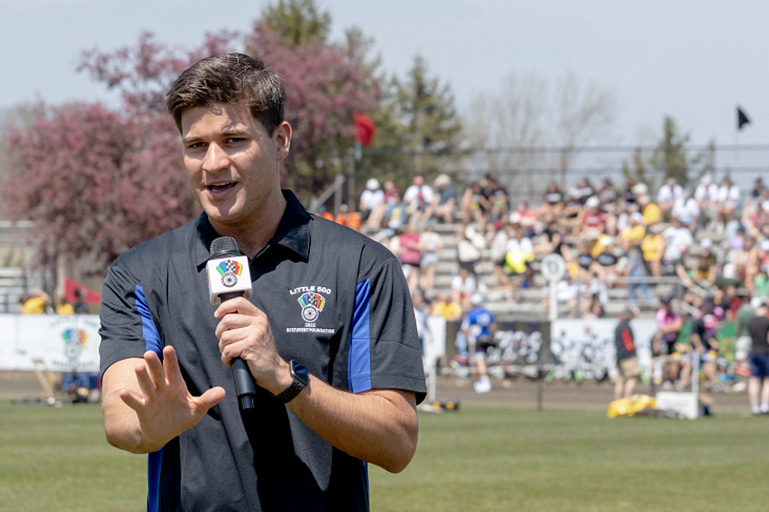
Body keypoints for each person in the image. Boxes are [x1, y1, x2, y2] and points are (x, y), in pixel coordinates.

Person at [98, 53, 425, 511]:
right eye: (196, 145)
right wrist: (150, 425)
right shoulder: (141, 272)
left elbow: (397, 442)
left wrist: (287, 381)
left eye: (233, 140)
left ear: (280, 140)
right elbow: (119, 417)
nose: (212, 163)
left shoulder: (363, 266)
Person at [461, 293, 496, 393]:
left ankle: (485, 381)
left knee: (480, 361)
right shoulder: (488, 313)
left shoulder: (472, 314)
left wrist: (467, 341)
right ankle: (480, 380)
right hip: (487, 339)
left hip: (478, 340)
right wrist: (491, 336)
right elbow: (493, 326)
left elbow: (465, 329)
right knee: (483, 361)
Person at [747, 300, 769, 415]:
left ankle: (755, 406)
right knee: (767, 380)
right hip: (766, 352)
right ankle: (765, 405)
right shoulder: (767, 322)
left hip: (754, 352)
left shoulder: (751, 322)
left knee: (754, 379)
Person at [614, 307, 640, 400]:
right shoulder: (625, 327)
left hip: (619, 356)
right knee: (632, 378)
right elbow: (629, 344)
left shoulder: (618, 326)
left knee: (621, 379)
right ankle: (627, 401)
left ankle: (617, 402)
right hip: (627, 357)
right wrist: (634, 352)